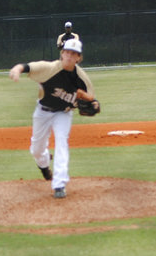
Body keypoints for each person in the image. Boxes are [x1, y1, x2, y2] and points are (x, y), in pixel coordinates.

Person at [9, 38, 96, 199]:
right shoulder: (49, 69)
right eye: (67, 52)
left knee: (62, 141)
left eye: (74, 54)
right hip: (42, 112)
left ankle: (59, 184)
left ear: (79, 58)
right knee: (36, 148)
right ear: (62, 53)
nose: (70, 56)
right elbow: (28, 66)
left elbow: (91, 98)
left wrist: (94, 103)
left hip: (63, 113)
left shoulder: (82, 79)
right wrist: (17, 69)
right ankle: (43, 165)